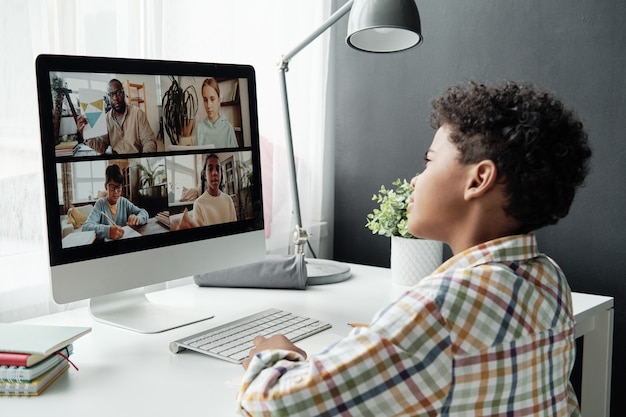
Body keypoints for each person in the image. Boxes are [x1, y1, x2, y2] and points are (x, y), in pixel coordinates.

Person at [237, 81, 592, 416]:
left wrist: (275, 354)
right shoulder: (549, 279)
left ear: (478, 180)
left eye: (429, 160)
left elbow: (274, 404)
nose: (415, 179)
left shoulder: (438, 309)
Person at [76, 79, 157, 154]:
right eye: (111, 94)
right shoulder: (106, 119)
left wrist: (144, 161)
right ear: (108, 97)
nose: (115, 98)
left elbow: (149, 141)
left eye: (118, 93)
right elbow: (101, 147)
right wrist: (87, 134)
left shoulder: (137, 113)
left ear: (123, 93)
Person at [82, 164, 149, 240]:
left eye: (119, 187)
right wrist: (107, 231)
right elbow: (86, 227)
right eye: (112, 187)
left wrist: (138, 218)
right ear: (105, 186)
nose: (116, 192)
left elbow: (144, 212)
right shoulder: (100, 204)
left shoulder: (124, 202)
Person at [192, 154, 237, 226]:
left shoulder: (228, 200)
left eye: (217, 169)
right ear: (204, 174)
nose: (215, 173)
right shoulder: (198, 204)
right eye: (210, 169)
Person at [195, 78, 238, 148]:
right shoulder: (200, 128)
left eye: (212, 99)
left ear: (219, 100)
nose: (208, 105)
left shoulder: (228, 128)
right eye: (205, 100)